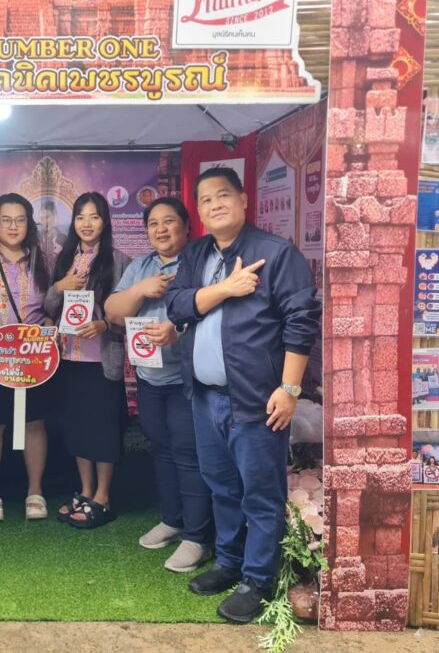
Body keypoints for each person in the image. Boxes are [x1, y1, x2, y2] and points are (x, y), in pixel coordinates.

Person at [166, 167, 320, 624]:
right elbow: (176, 305)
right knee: (221, 487)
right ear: (199, 211)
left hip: (255, 399)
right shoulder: (196, 253)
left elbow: (301, 323)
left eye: (223, 195)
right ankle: (229, 562)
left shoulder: (277, 254)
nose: (215, 204)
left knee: (261, 494)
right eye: (206, 199)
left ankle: (258, 579)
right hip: (205, 396)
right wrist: (224, 289)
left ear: (244, 200)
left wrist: (289, 389)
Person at [105, 196, 213, 572]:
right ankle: (172, 519)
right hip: (150, 376)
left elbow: (214, 314)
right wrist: (141, 289)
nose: (161, 229)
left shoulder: (201, 261)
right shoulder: (141, 266)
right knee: (163, 449)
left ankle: (197, 537)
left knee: (187, 451)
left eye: (169, 221)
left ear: (186, 225)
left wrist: (177, 331)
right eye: (153, 224)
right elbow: (113, 312)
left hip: (187, 376)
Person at [44, 192, 131, 529]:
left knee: (103, 429)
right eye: (81, 217)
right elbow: (50, 308)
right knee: (77, 428)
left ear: (105, 221)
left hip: (101, 361)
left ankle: (103, 497)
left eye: (94, 216)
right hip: (69, 357)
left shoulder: (119, 261)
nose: (87, 223)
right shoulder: (64, 259)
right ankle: (85, 490)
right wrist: (60, 286)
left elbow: (130, 313)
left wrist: (105, 324)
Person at [0, 194, 55, 523]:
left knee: (34, 422)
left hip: (33, 356)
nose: (12, 226)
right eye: (5, 220)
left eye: (20, 220)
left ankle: (35, 491)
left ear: (28, 224)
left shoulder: (42, 260)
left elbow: (53, 303)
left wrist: (49, 323)